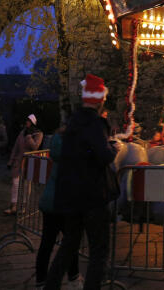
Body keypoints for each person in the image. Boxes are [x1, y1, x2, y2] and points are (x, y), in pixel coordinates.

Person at [44, 74, 118, 290]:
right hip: (92, 196)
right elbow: (103, 156)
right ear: (100, 99)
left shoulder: (72, 123)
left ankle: (51, 284)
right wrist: (113, 148)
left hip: (70, 196)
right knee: (98, 250)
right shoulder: (94, 124)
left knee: (69, 246)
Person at [35, 124, 80, 288]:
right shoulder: (76, 153)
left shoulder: (57, 146)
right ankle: (73, 277)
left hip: (50, 201)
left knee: (46, 243)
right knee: (71, 242)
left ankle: (40, 280)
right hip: (65, 203)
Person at [6, 114, 44, 215]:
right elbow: (16, 147)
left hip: (29, 162)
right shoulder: (22, 133)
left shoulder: (38, 134)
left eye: (28, 121)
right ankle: (14, 205)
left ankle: (23, 206)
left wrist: (29, 137)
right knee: (15, 184)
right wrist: (11, 160)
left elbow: (35, 147)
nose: (26, 123)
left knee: (27, 186)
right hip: (18, 161)